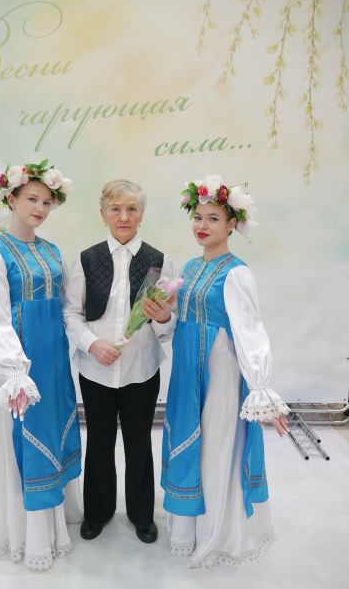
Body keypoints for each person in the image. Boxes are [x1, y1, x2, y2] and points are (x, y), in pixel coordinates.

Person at [158, 174, 289, 568]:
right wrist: (163, 314)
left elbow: (251, 332)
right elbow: (181, 321)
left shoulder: (236, 273)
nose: (202, 225)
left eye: (213, 218)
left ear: (232, 224)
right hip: (187, 370)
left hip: (219, 372)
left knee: (217, 443)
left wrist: (262, 390)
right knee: (189, 439)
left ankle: (218, 533)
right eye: (198, 217)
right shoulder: (191, 267)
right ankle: (189, 527)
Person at [0, 160, 82, 571]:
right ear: (11, 198)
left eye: (47, 202)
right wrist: (15, 371)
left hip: (53, 367)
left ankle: (57, 519)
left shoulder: (51, 252)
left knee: (53, 432)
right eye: (32, 199)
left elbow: (67, 308)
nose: (39, 208)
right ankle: (28, 534)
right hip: (19, 370)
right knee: (26, 440)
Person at [64, 179, 175, 544]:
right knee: (98, 441)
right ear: (103, 214)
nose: (124, 216)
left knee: (139, 443)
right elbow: (72, 314)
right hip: (95, 371)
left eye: (131, 209)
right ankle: (98, 511)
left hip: (141, 371)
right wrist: (92, 344)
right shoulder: (86, 259)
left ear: (141, 215)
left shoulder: (160, 261)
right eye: (116, 209)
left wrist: (163, 318)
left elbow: (168, 326)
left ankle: (142, 515)